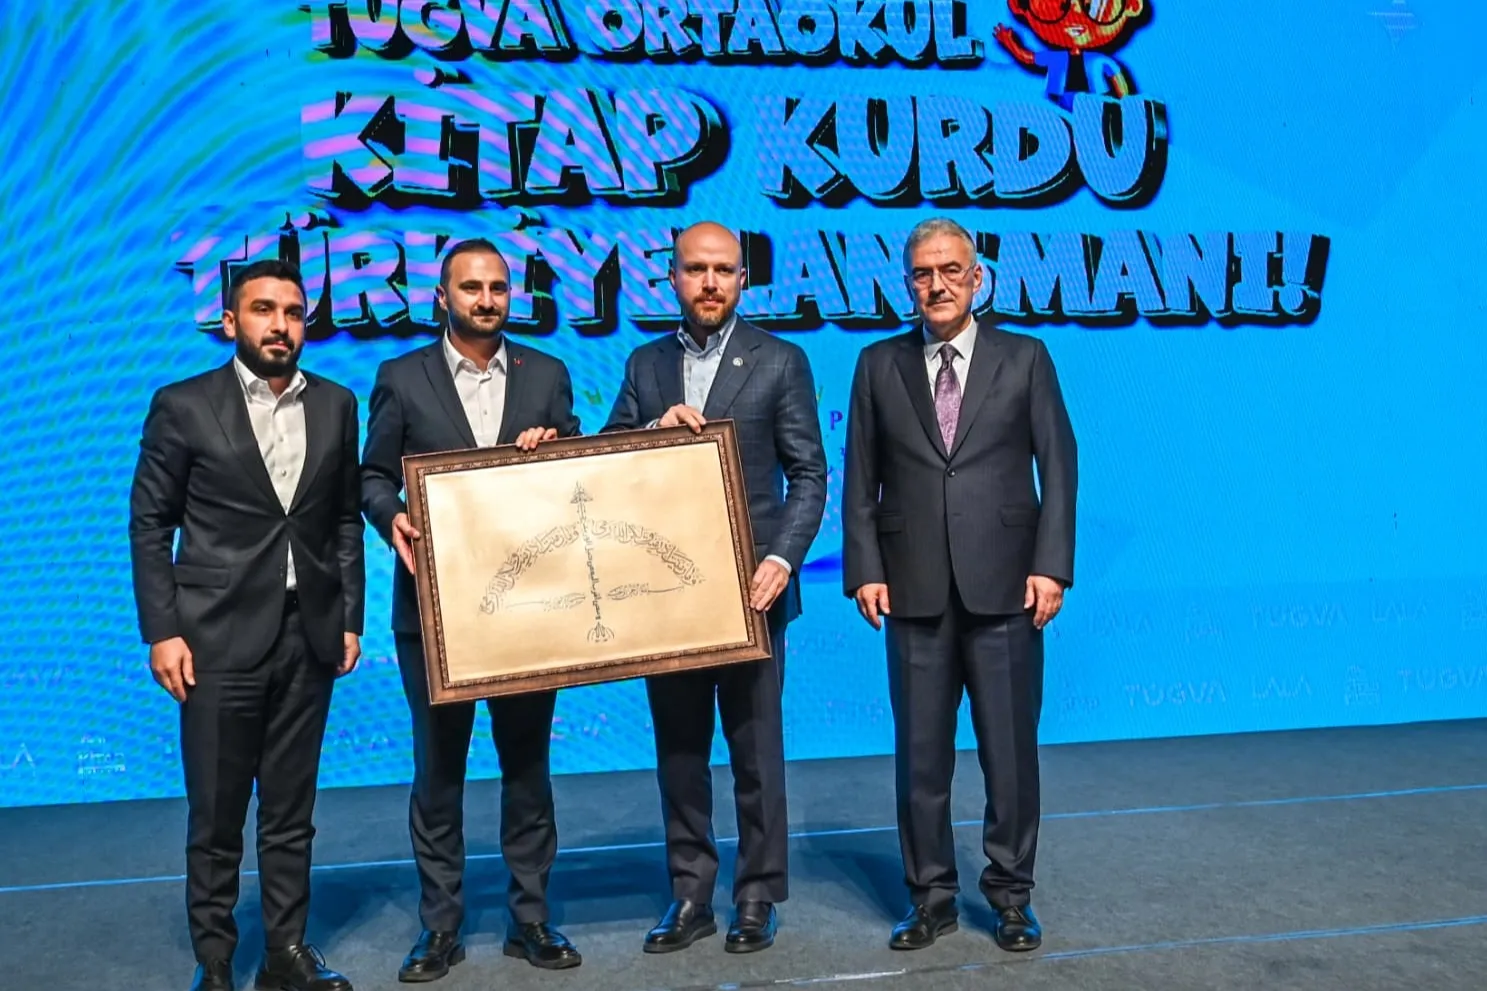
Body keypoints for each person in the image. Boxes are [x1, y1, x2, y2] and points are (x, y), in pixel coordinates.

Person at [842, 217, 1077, 954]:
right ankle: (930, 897)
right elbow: (859, 478)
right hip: (910, 590)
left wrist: (1051, 565)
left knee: (1010, 756)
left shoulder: (1025, 357)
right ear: (906, 283)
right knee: (921, 760)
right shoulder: (876, 365)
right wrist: (864, 569)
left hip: (1008, 588)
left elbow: (1059, 465)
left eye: (950, 270)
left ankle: (1011, 896)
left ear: (977, 279)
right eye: (922, 273)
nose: (936, 285)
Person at [128, 259, 364, 991]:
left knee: (291, 812)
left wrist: (348, 616)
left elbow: (344, 520)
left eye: (292, 312)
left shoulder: (336, 403)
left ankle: (286, 954)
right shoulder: (183, 405)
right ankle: (216, 961)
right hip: (215, 638)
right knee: (217, 813)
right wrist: (162, 630)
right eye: (263, 310)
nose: (279, 325)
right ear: (232, 321)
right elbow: (150, 523)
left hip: (308, 635)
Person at [360, 238, 583, 980]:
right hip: (434, 612)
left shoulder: (547, 374)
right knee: (438, 773)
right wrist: (391, 515)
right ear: (441, 297)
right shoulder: (401, 377)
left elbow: (579, 477)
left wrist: (557, 449)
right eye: (470, 287)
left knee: (528, 767)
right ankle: (440, 927)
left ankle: (531, 918)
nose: (486, 299)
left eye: (497, 287)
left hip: (529, 607)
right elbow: (370, 475)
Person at [603, 221, 828, 954]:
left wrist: (783, 559)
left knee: (756, 752)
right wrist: (650, 431)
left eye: (723, 270)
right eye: (696, 269)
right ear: (672, 276)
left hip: (753, 592)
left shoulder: (780, 360)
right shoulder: (644, 365)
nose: (709, 282)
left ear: (742, 279)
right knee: (679, 751)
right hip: (667, 594)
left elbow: (809, 474)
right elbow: (606, 463)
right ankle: (690, 894)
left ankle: (757, 895)